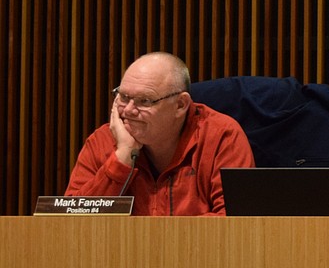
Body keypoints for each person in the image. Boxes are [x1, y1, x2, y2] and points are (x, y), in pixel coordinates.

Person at [65, 52, 255, 215]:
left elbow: (236, 221)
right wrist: (122, 157)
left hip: (200, 256)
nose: (128, 110)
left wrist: (157, 238)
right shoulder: (102, 140)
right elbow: (70, 222)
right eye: (123, 97)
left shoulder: (222, 136)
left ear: (180, 105)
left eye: (145, 101)